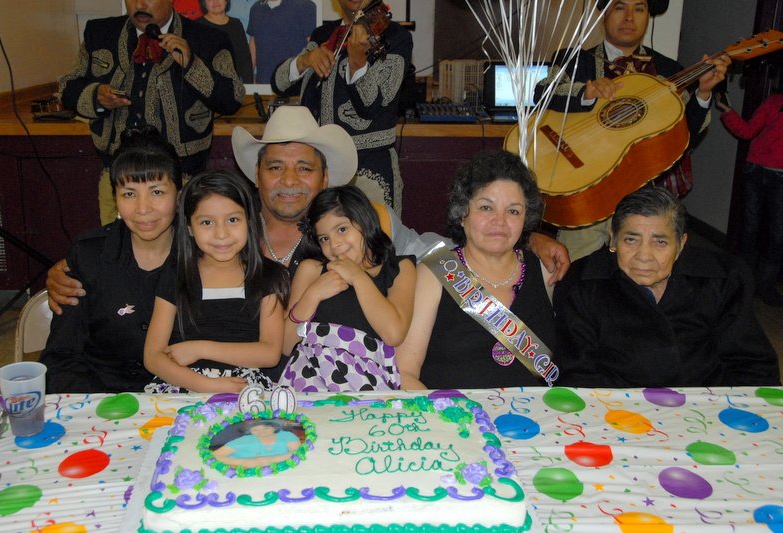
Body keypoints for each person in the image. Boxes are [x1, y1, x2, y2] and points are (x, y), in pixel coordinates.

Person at [48, 106, 572, 317]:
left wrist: (522, 238)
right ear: (257, 175)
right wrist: (73, 269)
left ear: (325, 179)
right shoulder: (225, 225)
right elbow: (154, 241)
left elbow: (435, 251)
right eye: (275, 167)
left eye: (304, 168)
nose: (289, 180)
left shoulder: (365, 219)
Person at [534, 0, 729, 261]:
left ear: (648, 16)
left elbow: (685, 135)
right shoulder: (575, 60)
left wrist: (703, 94)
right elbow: (543, 93)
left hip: (642, 195)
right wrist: (586, 92)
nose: (629, 17)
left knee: (639, 270)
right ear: (604, 14)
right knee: (576, 268)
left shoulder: (669, 70)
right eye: (619, 7)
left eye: (638, 9)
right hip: (585, 191)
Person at [552, 186, 780, 387]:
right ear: (613, 239)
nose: (644, 256)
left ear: (680, 245)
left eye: (660, 242)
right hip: (616, 406)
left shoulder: (720, 281)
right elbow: (576, 374)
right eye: (631, 239)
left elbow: (751, 365)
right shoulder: (583, 285)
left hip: (703, 403)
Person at [59, 0, 245, 225]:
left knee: (181, 244)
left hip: (183, 179)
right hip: (117, 179)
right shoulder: (99, 33)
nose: (140, 4)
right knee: (117, 243)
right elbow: (67, 89)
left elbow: (231, 99)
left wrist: (191, 65)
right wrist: (96, 96)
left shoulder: (209, 38)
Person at [397, 151, 559, 390]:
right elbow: (405, 373)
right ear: (462, 214)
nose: (499, 221)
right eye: (486, 207)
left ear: (526, 219)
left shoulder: (547, 271)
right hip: (453, 410)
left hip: (534, 412)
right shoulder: (433, 274)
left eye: (513, 211)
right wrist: (452, 411)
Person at [40, 127, 182, 393]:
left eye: (157, 192)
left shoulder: (203, 255)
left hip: (179, 398)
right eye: (129, 193)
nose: (143, 208)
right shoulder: (89, 255)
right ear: (115, 198)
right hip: (99, 398)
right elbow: (61, 356)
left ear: (179, 195)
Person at [143, 171, 289, 393]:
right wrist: (206, 385)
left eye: (232, 220)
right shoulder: (176, 274)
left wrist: (200, 349)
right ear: (189, 227)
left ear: (249, 221)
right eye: (207, 222)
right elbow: (153, 356)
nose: (221, 234)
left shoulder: (268, 275)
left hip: (243, 388)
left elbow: (269, 353)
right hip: (182, 385)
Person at [271, 0, 413, 215]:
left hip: (368, 167)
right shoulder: (324, 34)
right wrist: (305, 60)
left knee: (373, 232)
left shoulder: (396, 37)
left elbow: (373, 106)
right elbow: (279, 84)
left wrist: (358, 63)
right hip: (317, 166)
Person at [279, 185, 416, 391]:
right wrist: (312, 295)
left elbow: (393, 333)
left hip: (370, 383)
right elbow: (285, 345)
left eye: (342, 229)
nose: (334, 244)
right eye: (324, 238)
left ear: (365, 221)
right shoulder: (312, 270)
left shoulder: (399, 268)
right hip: (310, 380)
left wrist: (358, 277)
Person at [717, 91, 783, 307]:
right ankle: (741, 282)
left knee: (778, 234)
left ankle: (766, 285)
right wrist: (727, 110)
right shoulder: (774, 101)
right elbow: (747, 131)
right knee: (749, 229)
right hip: (756, 172)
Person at [248, 0, 315, 85]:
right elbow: (253, 45)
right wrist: (249, 83)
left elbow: (314, 48)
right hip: (263, 85)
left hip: (294, 87)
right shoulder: (256, 9)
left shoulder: (305, 6)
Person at [198, 0, 254, 83]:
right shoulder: (197, 26)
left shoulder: (236, 24)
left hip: (234, 84)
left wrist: (248, 84)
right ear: (204, 3)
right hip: (208, 85)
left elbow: (245, 58)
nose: (215, 2)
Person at [213, 420, 300, 468]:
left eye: (266, 428)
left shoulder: (286, 436)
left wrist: (270, 460)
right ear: (250, 432)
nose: (261, 432)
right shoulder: (245, 441)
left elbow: (299, 453)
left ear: (274, 427)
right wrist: (244, 462)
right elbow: (214, 456)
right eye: (255, 430)